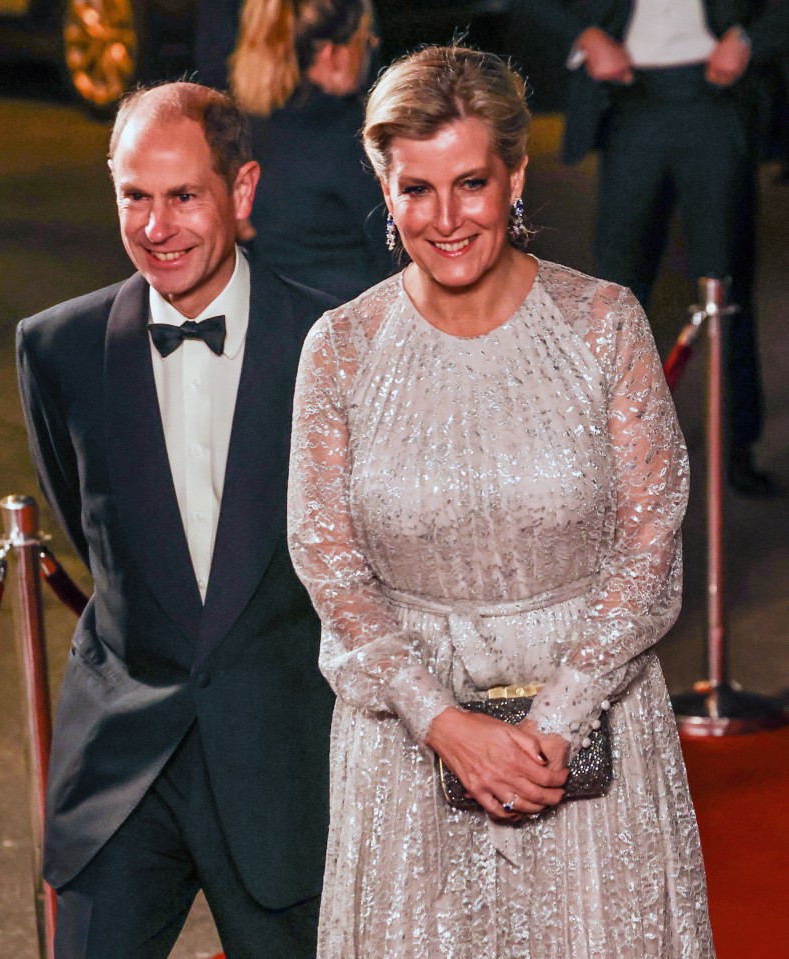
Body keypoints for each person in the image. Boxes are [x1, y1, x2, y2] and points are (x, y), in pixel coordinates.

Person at [287, 46, 714, 958]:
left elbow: (649, 543)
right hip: (406, 748)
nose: (445, 219)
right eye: (415, 189)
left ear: (515, 175)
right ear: (384, 184)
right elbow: (329, 563)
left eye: (471, 182)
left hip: (590, 734)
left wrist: (555, 719)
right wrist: (443, 722)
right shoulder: (342, 349)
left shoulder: (604, 322)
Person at [16, 81, 336, 959]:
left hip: (281, 761)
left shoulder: (329, 343)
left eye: (184, 195)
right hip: (122, 764)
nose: (157, 228)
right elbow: (97, 538)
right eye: (134, 196)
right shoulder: (58, 349)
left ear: (241, 191)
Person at [506, 0, 789, 496]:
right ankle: (613, 452)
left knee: (726, 287)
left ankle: (736, 449)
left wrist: (749, 39)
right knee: (616, 289)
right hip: (629, 102)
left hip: (716, 100)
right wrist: (585, 34)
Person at [229, 0, 395, 300]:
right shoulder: (353, 136)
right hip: (351, 323)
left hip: (274, 316)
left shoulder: (248, 128)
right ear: (332, 54)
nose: (371, 51)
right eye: (365, 40)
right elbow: (395, 253)